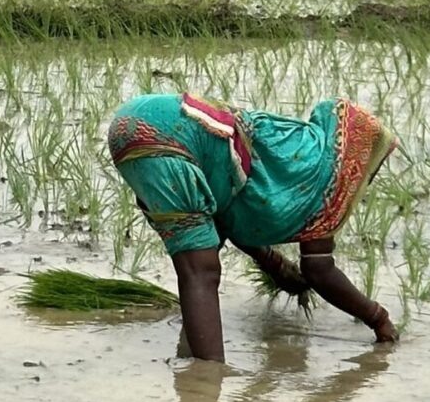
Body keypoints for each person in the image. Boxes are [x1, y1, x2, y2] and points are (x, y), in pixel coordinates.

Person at [105, 93, 401, 362]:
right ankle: (207, 385)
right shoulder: (326, 177)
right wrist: (379, 319)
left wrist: (275, 266)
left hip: (137, 123)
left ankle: (191, 357)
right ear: (357, 158)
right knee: (200, 271)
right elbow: (319, 271)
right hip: (167, 141)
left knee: (201, 254)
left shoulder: (298, 143)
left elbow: (232, 214)